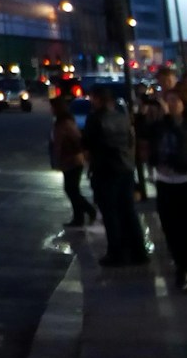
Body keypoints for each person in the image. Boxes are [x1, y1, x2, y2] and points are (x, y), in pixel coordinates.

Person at [149, 89, 187, 293]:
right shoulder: (160, 125)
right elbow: (151, 143)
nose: (172, 104)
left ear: (184, 104)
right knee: (171, 229)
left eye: (176, 100)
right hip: (165, 181)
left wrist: (168, 118)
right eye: (169, 101)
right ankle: (182, 267)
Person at [83, 86, 145, 267]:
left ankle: (116, 252)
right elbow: (130, 141)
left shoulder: (95, 119)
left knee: (110, 215)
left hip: (105, 171)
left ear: (97, 99)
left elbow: (87, 145)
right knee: (128, 212)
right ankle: (138, 251)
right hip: (125, 169)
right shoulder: (122, 118)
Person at [51, 97, 98, 228]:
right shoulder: (61, 122)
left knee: (71, 189)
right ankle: (79, 217)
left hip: (72, 160)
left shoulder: (65, 123)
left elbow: (76, 139)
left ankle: (87, 211)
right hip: (69, 160)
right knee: (71, 189)